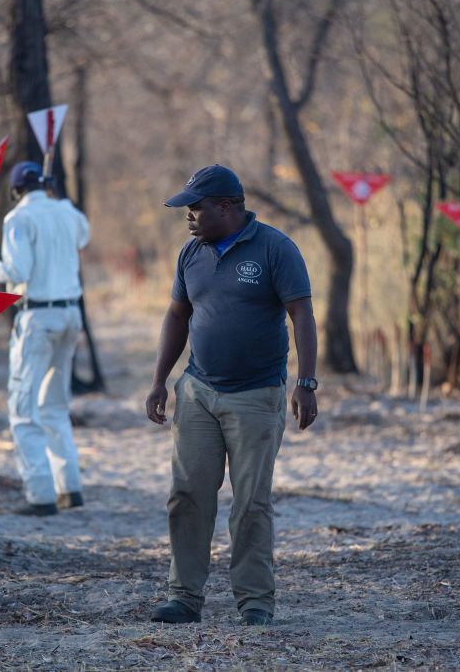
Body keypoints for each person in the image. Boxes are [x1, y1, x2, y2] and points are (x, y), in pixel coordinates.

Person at [145, 164, 318, 626]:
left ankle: (255, 601)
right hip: (198, 391)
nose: (188, 217)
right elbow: (177, 316)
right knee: (187, 495)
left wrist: (306, 382)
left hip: (256, 396)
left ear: (226, 207)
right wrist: (161, 380)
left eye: (195, 208)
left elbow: (301, 314)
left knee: (251, 503)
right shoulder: (190, 253)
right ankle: (183, 597)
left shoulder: (275, 249)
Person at [0, 161, 89, 516]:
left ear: (16, 190)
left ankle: (41, 495)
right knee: (54, 405)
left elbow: (18, 271)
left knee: (23, 409)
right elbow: (84, 235)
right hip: (70, 315)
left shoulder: (17, 219)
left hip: (38, 316)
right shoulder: (65, 210)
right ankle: (70, 488)